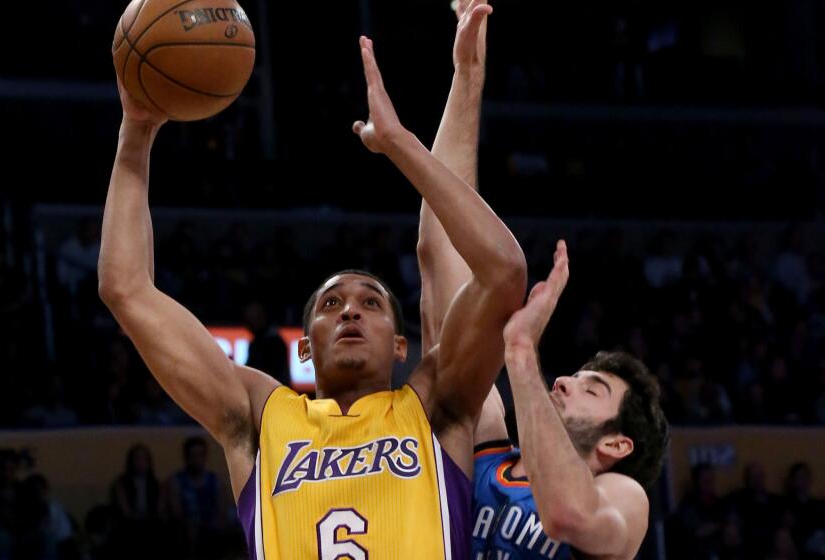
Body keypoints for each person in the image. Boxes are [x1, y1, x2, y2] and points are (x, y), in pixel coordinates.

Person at [98, 2, 525, 557]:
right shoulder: (259, 413)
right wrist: (137, 127)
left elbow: (502, 271)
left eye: (371, 303)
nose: (349, 310)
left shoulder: (436, 403)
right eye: (330, 304)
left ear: (402, 346)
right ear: (303, 346)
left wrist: (402, 144)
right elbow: (124, 288)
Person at [416, 3, 669, 558]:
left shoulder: (622, 495)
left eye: (590, 389)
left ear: (617, 443)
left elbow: (567, 515)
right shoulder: (485, 450)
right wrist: (467, 77)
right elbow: (442, 254)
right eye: (577, 376)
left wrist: (521, 352)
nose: (564, 382)